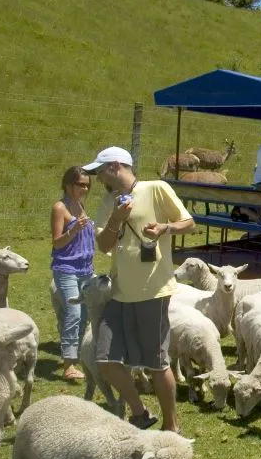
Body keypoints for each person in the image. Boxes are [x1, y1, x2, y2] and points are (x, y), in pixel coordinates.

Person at [85, 146, 195, 432]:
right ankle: (140, 412)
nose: (98, 179)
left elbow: (188, 222)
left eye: (99, 172)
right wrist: (116, 219)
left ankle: (171, 426)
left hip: (152, 292)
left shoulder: (156, 188)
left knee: (157, 363)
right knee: (106, 359)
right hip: (119, 293)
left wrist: (164, 229)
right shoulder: (108, 202)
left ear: (115, 167)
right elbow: (105, 245)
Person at [49, 166, 96, 381]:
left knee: (84, 314)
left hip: (86, 269)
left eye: (87, 185)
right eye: (81, 184)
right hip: (66, 268)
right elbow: (57, 243)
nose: (85, 188)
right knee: (73, 314)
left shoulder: (80, 204)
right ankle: (68, 366)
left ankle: (75, 358)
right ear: (68, 185)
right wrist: (73, 230)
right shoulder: (60, 207)